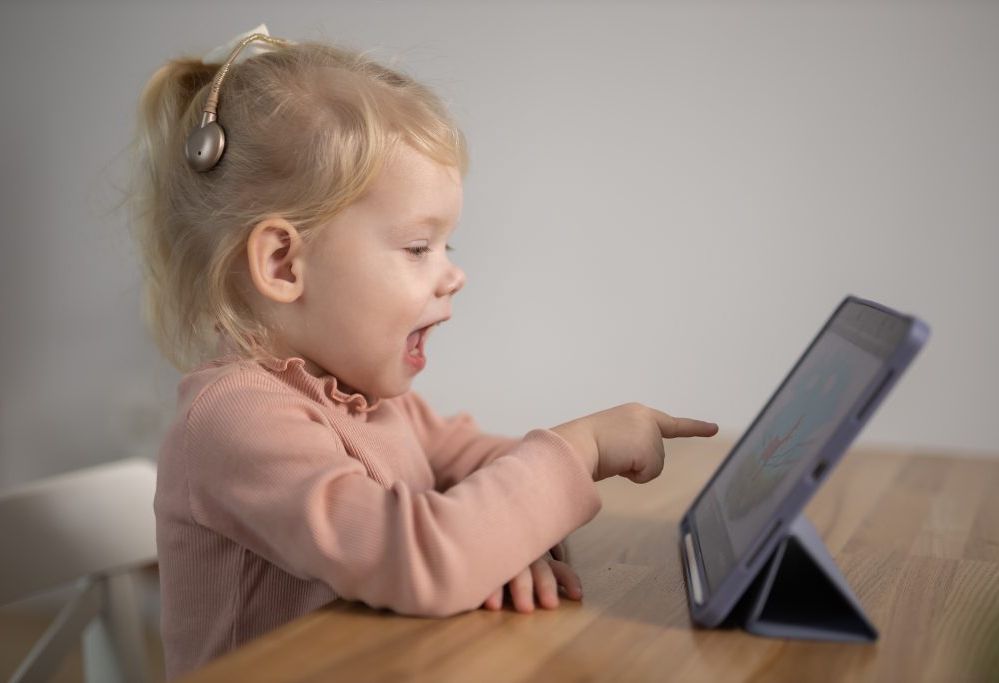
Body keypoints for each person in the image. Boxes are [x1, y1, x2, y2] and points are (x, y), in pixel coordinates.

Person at [131, 26, 719, 678]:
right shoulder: (234, 421)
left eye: (450, 248)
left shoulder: (366, 399)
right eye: (418, 248)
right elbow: (424, 559)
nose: (453, 275)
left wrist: (498, 538)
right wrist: (583, 448)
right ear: (282, 263)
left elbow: (485, 466)